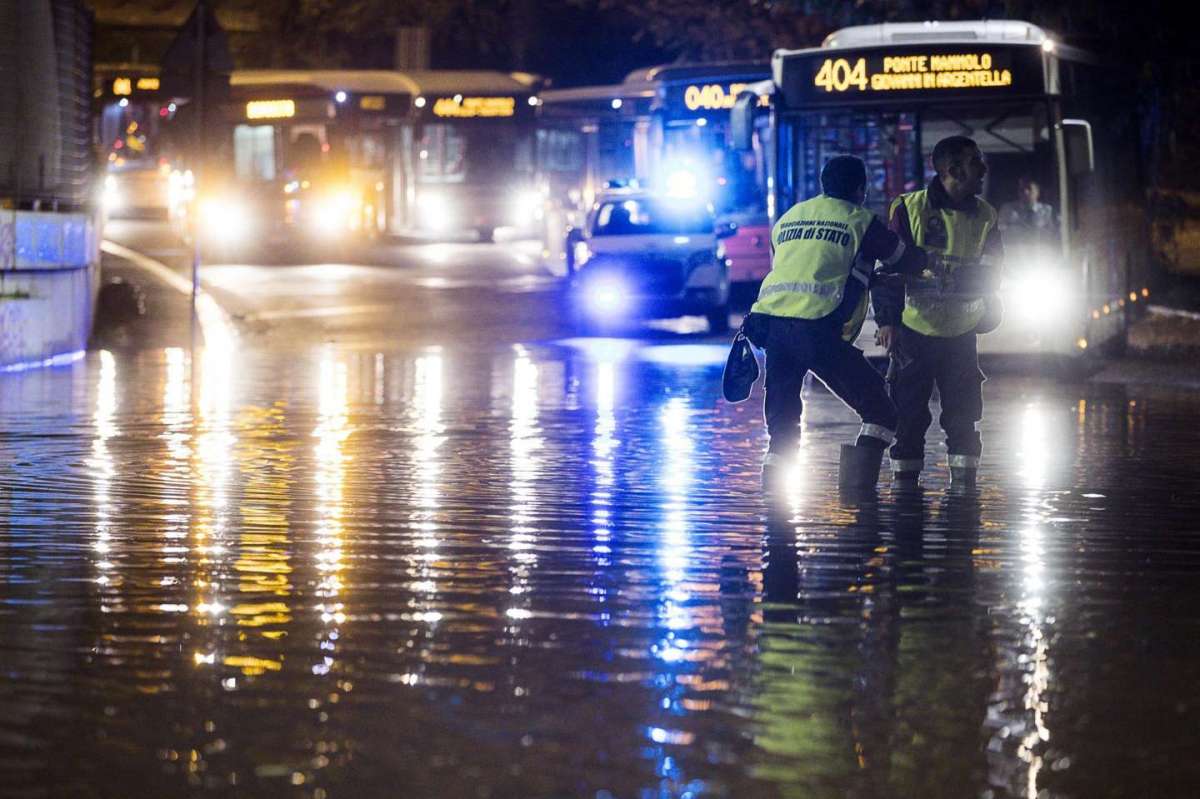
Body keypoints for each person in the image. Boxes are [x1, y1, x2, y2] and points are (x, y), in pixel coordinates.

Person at [743, 155, 928, 488]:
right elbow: (903, 258)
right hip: (817, 330)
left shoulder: (790, 217)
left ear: (822, 185)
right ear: (861, 189)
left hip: (772, 330)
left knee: (782, 431)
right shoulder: (860, 220)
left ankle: (774, 514)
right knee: (882, 413)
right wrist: (928, 260)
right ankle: (858, 502)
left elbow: (803, 262)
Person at [872, 135, 1004, 490]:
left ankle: (963, 493)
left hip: (962, 333)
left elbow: (994, 271)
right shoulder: (909, 208)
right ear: (953, 170)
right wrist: (887, 320)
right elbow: (888, 270)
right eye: (976, 161)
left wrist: (988, 304)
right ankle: (906, 495)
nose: (983, 169)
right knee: (907, 417)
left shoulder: (986, 216)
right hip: (914, 332)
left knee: (963, 418)